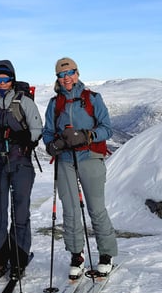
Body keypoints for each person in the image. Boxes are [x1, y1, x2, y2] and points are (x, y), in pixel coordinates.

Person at [42, 57, 118, 278]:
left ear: (77, 73)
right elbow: (48, 132)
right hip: (65, 160)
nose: (66, 78)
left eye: (70, 73)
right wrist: (52, 145)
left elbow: (107, 129)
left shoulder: (92, 98)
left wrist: (88, 135)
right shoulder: (54, 103)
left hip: (90, 156)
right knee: (71, 211)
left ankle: (106, 254)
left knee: (96, 208)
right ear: (57, 78)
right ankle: (77, 254)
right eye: (61, 75)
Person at [0, 60, 43, 280]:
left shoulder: (24, 102)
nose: (2, 83)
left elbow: (37, 129)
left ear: (12, 80)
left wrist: (22, 136)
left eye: (6, 80)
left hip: (20, 163)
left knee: (20, 212)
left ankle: (19, 258)